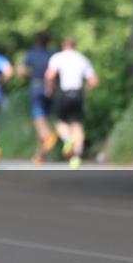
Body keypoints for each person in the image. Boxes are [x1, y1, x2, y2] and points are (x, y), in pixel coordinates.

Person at [44, 37, 99, 169]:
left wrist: (49, 89)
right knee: (77, 124)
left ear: (63, 46)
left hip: (64, 93)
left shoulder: (58, 57)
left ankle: (68, 139)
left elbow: (49, 75)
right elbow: (94, 81)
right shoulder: (82, 58)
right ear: (75, 46)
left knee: (60, 121)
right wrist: (85, 90)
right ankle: (76, 156)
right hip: (78, 93)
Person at [18, 30, 57, 163]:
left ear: (37, 41)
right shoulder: (53, 55)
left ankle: (48, 136)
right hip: (51, 88)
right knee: (45, 119)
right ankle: (41, 154)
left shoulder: (31, 54)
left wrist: (31, 75)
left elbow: (22, 71)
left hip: (36, 86)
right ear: (49, 41)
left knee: (39, 119)